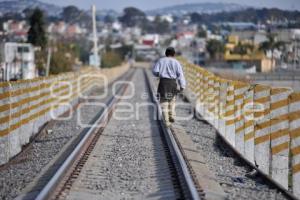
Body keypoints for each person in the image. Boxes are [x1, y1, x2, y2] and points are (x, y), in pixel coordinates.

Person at [152, 47, 186, 126]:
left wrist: (159, 74)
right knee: (172, 100)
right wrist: (182, 86)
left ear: (165, 54)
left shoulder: (161, 60)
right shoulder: (176, 62)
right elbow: (180, 75)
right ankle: (172, 115)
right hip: (172, 83)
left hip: (163, 83)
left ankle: (167, 121)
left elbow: (155, 71)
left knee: (164, 102)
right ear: (174, 54)